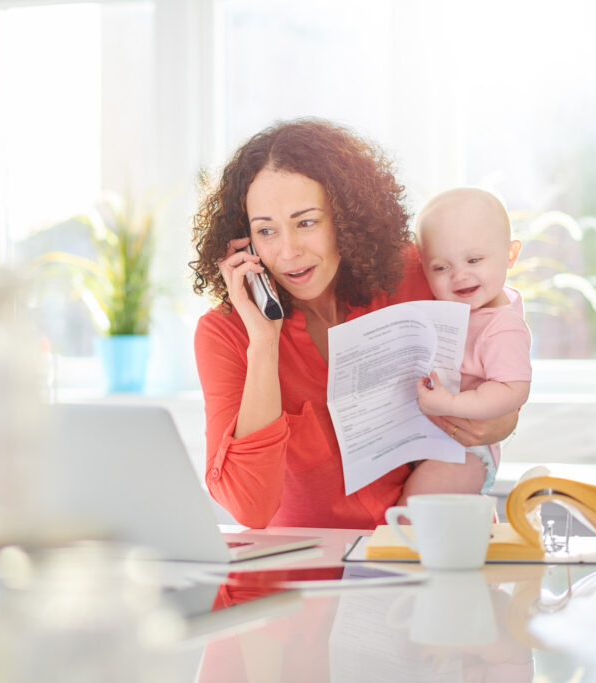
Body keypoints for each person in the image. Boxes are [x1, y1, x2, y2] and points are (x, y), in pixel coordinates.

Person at [189, 118, 518, 529]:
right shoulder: (224, 334)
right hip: (308, 578)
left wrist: (502, 419)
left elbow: (496, 335)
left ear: (345, 219)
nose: (288, 251)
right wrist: (263, 343)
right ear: (246, 242)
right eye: (266, 231)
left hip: (421, 554)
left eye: (306, 222)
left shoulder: (411, 274)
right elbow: (250, 509)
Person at [405, 187, 532, 498]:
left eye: (474, 260)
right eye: (440, 267)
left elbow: (513, 389)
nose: (459, 275)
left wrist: (450, 404)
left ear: (511, 255)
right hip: (437, 442)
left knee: (413, 511)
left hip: (468, 454)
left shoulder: (502, 325)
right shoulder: (462, 310)